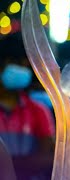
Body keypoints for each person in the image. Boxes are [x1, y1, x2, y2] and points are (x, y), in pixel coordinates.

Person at [0, 32, 55, 180]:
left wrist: (6, 163)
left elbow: (48, 158)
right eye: (16, 63)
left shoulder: (39, 110)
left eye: (25, 65)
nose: (23, 70)